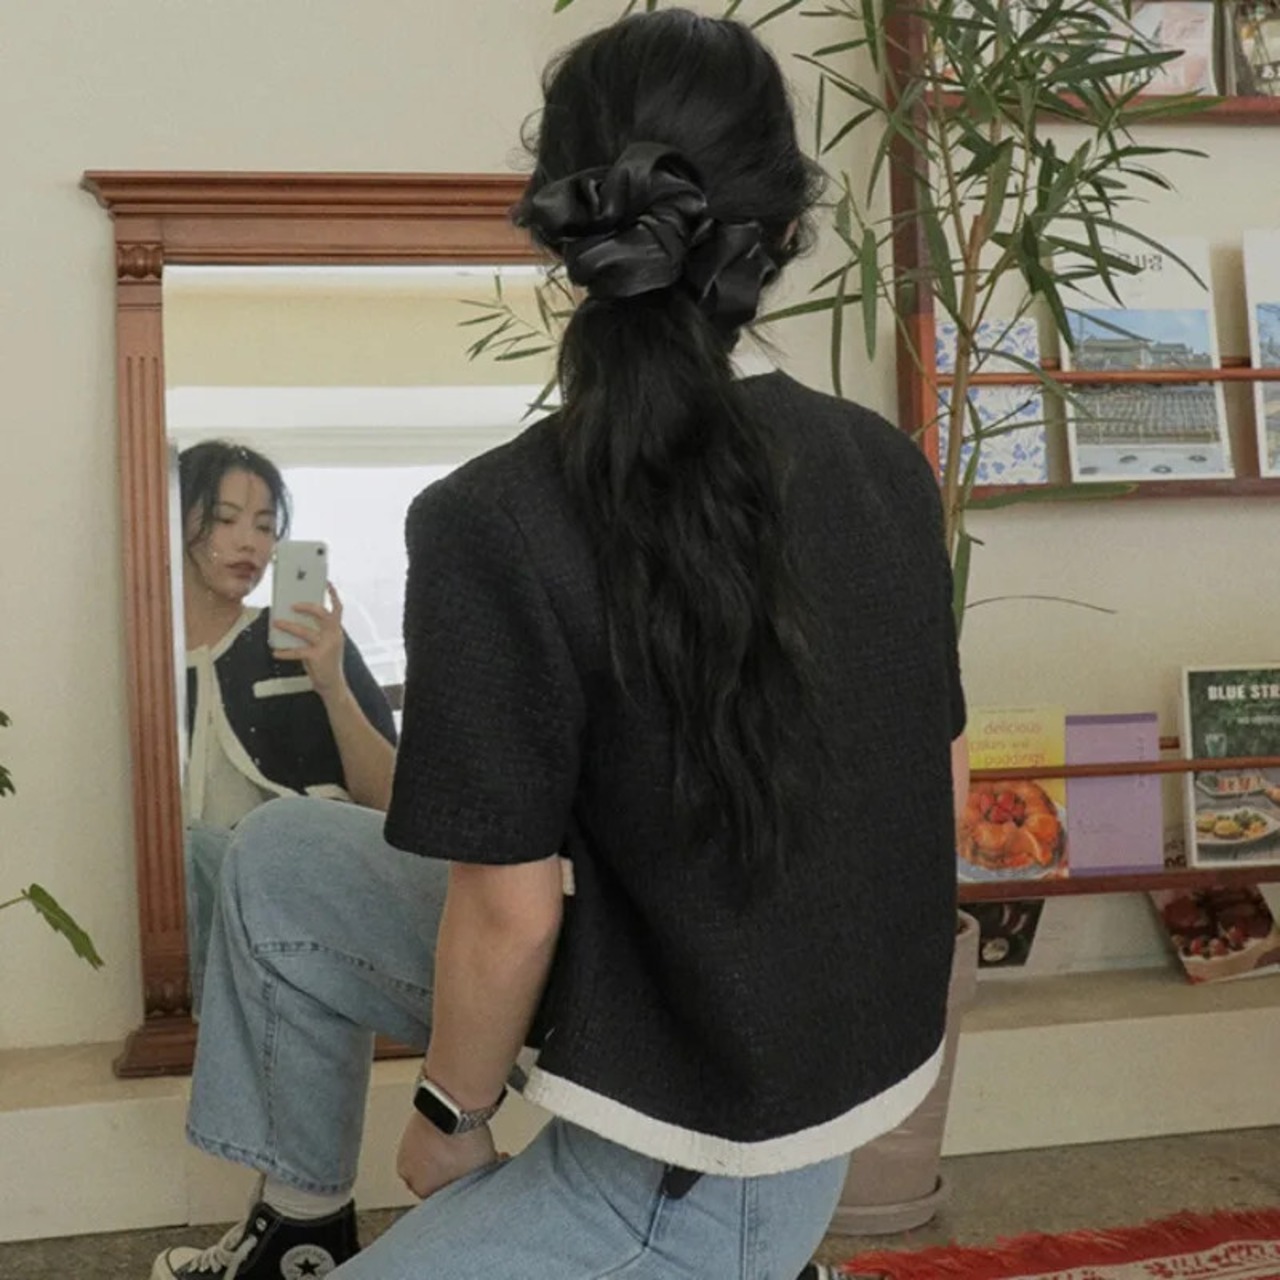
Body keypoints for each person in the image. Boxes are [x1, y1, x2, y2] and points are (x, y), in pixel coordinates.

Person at [151, 11, 968, 1280]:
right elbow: (938, 795)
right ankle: (296, 1232)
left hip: (702, 1169)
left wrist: (448, 1116)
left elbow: (510, 911)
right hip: (754, 1045)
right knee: (278, 853)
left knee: (485, 931)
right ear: (782, 224)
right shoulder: (884, 467)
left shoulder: (495, 515)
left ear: (562, 226)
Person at [177, 440, 398, 999]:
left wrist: (331, 685)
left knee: (213, 850)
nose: (249, 542)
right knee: (190, 850)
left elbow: (391, 803)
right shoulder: (147, 661)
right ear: (174, 522)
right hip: (202, 904)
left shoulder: (309, 645)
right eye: (226, 518)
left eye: (265, 526)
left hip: (307, 880)